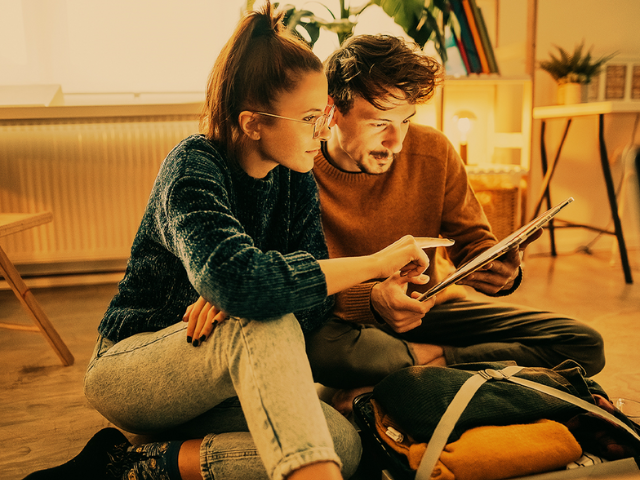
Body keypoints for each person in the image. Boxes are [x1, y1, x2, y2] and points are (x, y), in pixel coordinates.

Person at [23, 8, 433, 480]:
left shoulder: (295, 179)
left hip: (220, 373)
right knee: (260, 320)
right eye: (307, 119)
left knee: (343, 445)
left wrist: (241, 295)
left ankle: (131, 465)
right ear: (253, 122)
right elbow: (242, 283)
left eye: (321, 116)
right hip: (133, 367)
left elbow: (309, 311)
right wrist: (373, 264)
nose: (322, 132)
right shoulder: (192, 166)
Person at [304, 34, 606, 409]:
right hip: (345, 321)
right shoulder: (299, 168)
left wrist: (499, 269)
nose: (396, 142)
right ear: (331, 111)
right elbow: (300, 283)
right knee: (315, 347)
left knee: (583, 343)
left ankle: (425, 365)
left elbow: (473, 240)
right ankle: (442, 372)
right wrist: (372, 299)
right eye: (380, 123)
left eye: (406, 121)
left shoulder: (433, 151)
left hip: (429, 310)